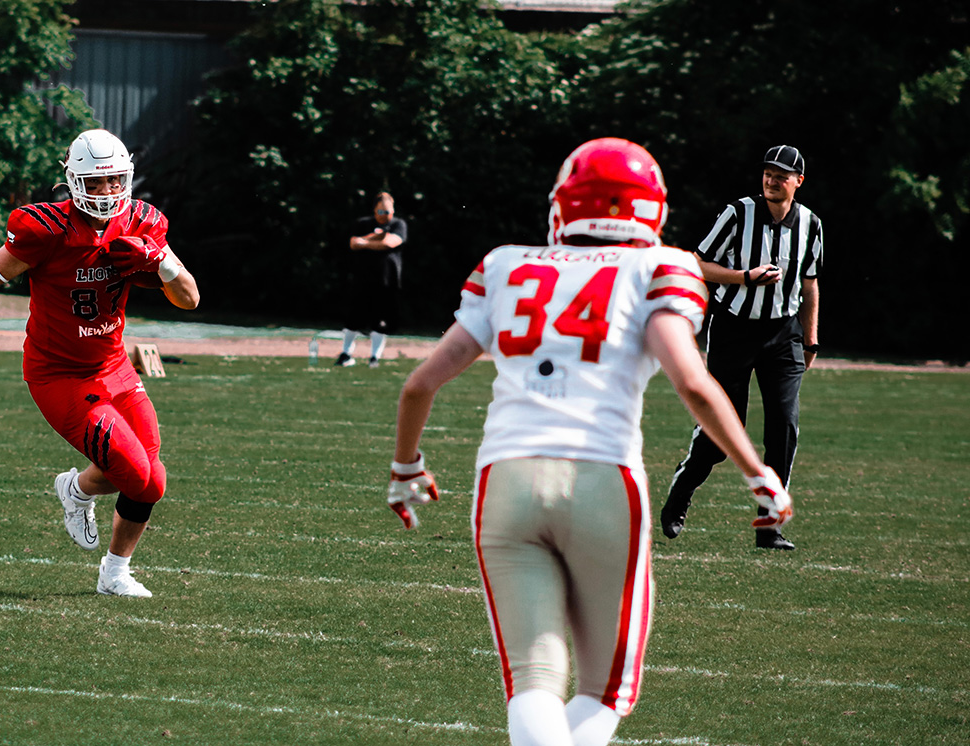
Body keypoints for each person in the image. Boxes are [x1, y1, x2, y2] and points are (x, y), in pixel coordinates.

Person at [386, 138, 793, 746]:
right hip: (603, 478)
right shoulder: (662, 267)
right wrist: (758, 472)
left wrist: (405, 467)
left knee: (533, 682)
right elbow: (694, 383)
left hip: (506, 480)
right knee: (603, 693)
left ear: (564, 203)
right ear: (650, 209)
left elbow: (420, 384)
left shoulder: (504, 265)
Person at [0, 128, 200, 597]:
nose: (107, 191)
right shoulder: (44, 229)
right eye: (96, 181)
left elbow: (190, 298)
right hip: (59, 374)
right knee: (134, 473)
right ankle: (78, 491)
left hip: (114, 366)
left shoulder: (142, 223)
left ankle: (113, 570)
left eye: (115, 179)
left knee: (153, 481)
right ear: (74, 182)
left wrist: (159, 259)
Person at [660, 144, 822, 551]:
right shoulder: (738, 213)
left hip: (783, 334)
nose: (772, 180)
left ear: (798, 182)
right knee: (720, 430)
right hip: (734, 329)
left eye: (781, 175)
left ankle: (770, 526)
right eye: (768, 173)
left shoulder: (811, 224)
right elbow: (698, 263)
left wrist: (811, 338)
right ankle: (681, 491)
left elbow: (809, 284)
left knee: (783, 429)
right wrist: (745, 277)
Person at [334, 192, 408, 368]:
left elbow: (390, 243)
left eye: (388, 212)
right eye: (380, 212)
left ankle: (374, 357)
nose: (384, 216)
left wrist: (366, 241)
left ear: (393, 211)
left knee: (381, 319)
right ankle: (346, 354)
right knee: (353, 317)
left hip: (387, 280)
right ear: (374, 210)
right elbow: (353, 243)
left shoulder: (398, 224)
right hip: (362, 277)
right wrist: (377, 237)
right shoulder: (362, 223)